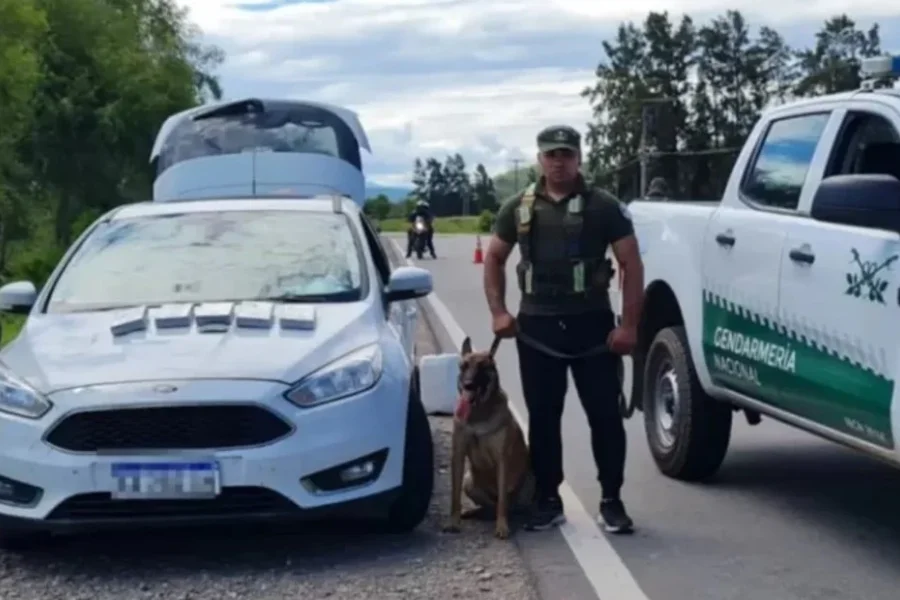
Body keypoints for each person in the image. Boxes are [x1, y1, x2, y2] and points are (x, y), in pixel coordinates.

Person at [482, 124, 644, 534]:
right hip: (537, 329)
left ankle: (611, 500)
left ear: (579, 158)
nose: (559, 161)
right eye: (551, 154)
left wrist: (629, 326)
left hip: (593, 328)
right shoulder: (517, 208)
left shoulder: (604, 207)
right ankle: (547, 499)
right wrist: (499, 312)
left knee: (605, 417)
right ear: (540, 159)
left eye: (566, 154)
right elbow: (494, 259)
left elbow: (631, 264)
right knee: (544, 417)